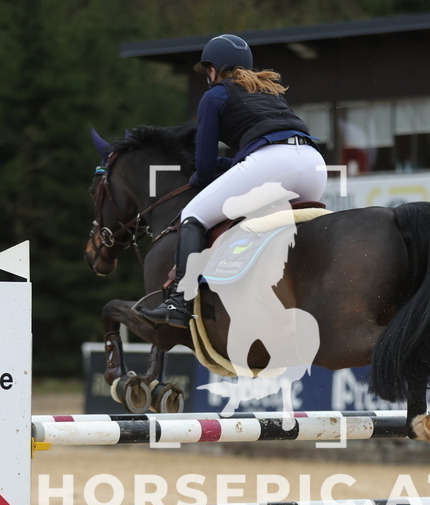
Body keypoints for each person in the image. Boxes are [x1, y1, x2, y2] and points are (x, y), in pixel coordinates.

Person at [139, 34, 327, 328]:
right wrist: (227, 166)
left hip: (272, 164)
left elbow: (203, 168)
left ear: (216, 69)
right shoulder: (269, 92)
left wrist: (199, 175)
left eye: (208, 70)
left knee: (192, 216)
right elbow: (244, 161)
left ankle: (178, 301)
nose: (208, 76)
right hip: (314, 164)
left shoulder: (215, 95)